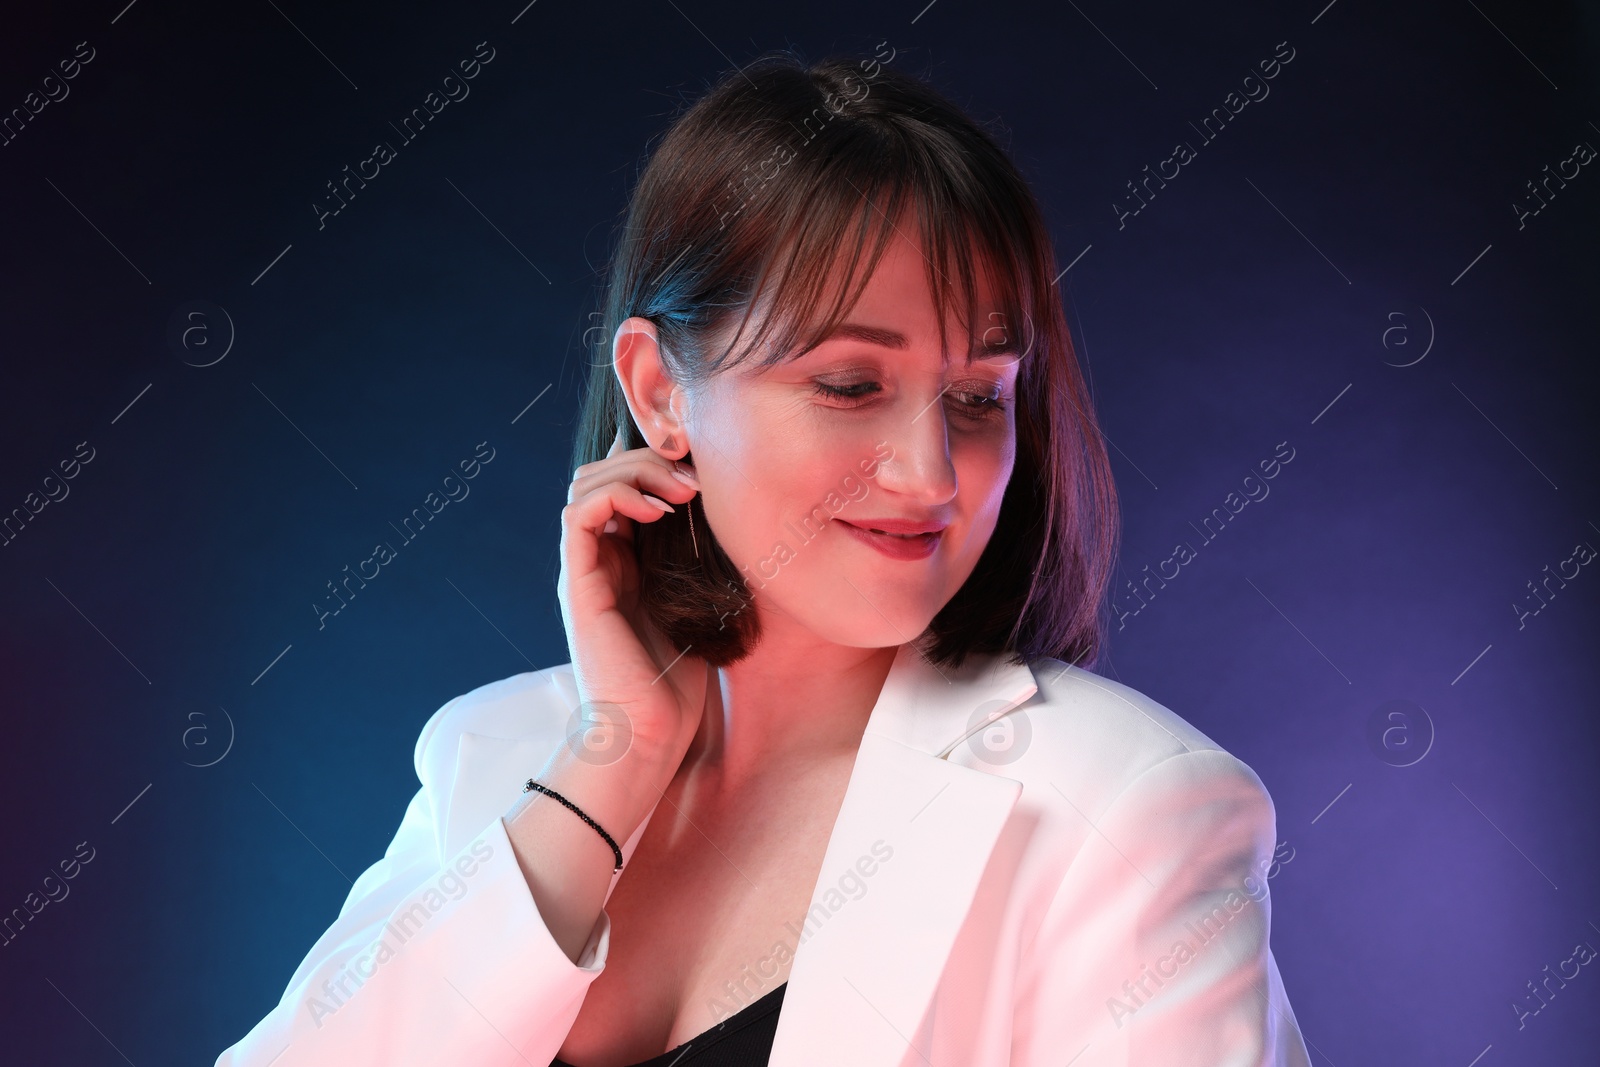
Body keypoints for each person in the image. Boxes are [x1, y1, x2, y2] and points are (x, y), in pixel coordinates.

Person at [215, 47, 1312, 1067]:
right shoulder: (493, 759)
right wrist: (617, 757)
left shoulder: (1124, 811)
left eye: (977, 397)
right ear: (658, 392)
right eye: (849, 385)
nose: (930, 476)